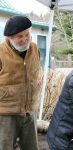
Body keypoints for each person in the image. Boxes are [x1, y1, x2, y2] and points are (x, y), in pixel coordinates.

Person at [0, 16, 40, 150]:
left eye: (27, 34)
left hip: (29, 110)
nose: (25, 39)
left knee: (31, 148)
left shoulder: (34, 48)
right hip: (5, 113)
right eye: (19, 36)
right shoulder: (0, 52)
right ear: (10, 38)